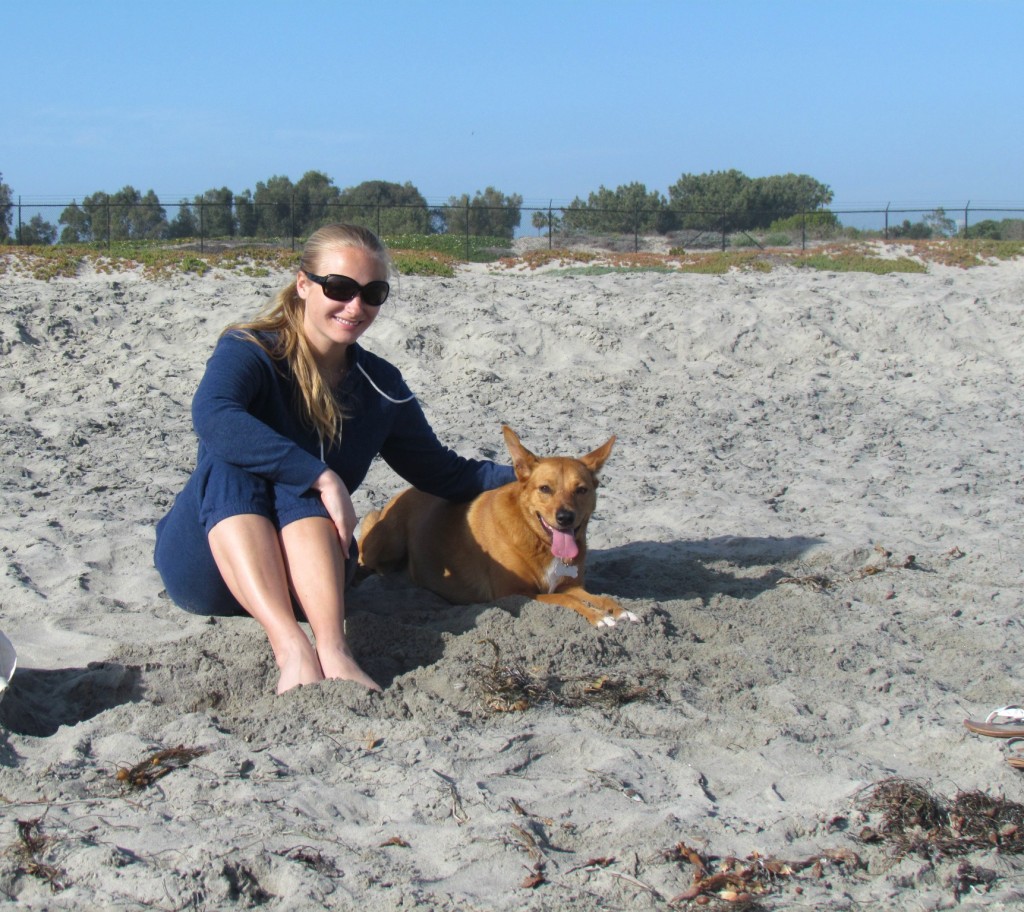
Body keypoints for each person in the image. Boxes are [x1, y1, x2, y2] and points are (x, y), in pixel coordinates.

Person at [154, 224, 513, 694]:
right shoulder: (251, 350)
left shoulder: (380, 385)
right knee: (233, 463)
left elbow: (443, 472)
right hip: (209, 567)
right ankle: (291, 648)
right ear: (304, 284)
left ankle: (333, 650)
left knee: (296, 484)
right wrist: (322, 476)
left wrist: (542, 479)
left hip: (315, 579)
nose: (355, 306)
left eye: (372, 293)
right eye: (339, 288)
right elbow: (213, 414)